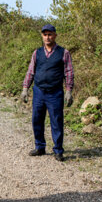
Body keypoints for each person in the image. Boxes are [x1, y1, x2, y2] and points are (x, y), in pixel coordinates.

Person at [20, 24, 74, 162]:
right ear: (42, 36)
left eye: (50, 34)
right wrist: (25, 88)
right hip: (39, 92)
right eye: (45, 34)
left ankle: (58, 150)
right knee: (37, 120)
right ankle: (40, 147)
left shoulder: (63, 52)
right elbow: (31, 71)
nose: (47, 37)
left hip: (55, 93)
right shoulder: (37, 53)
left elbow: (68, 72)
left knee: (56, 121)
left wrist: (68, 90)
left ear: (55, 35)